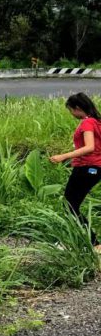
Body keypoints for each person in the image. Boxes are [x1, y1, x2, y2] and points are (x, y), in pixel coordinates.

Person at [50, 92, 101, 243]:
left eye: (71, 110)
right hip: (95, 168)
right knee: (71, 205)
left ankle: (93, 243)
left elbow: (89, 147)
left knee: (69, 205)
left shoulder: (87, 123)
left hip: (87, 167)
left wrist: (64, 156)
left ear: (77, 108)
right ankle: (81, 241)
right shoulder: (97, 122)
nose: (72, 114)